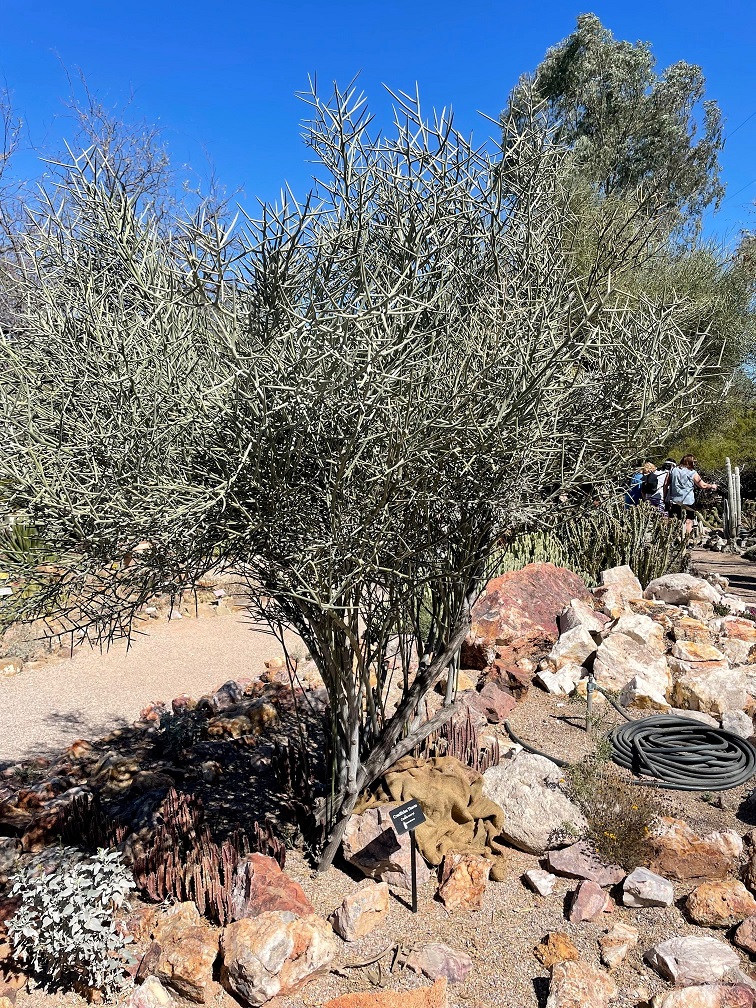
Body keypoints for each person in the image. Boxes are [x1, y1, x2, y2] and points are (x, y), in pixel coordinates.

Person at [667, 454, 717, 534]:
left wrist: (665, 496)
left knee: (674, 519)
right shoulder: (692, 472)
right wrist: (711, 486)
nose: (694, 463)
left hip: (675, 500)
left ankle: (673, 537)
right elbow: (703, 485)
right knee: (688, 520)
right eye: (693, 462)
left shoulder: (673, 470)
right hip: (688, 500)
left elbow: (666, 483)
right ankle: (686, 538)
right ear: (689, 462)